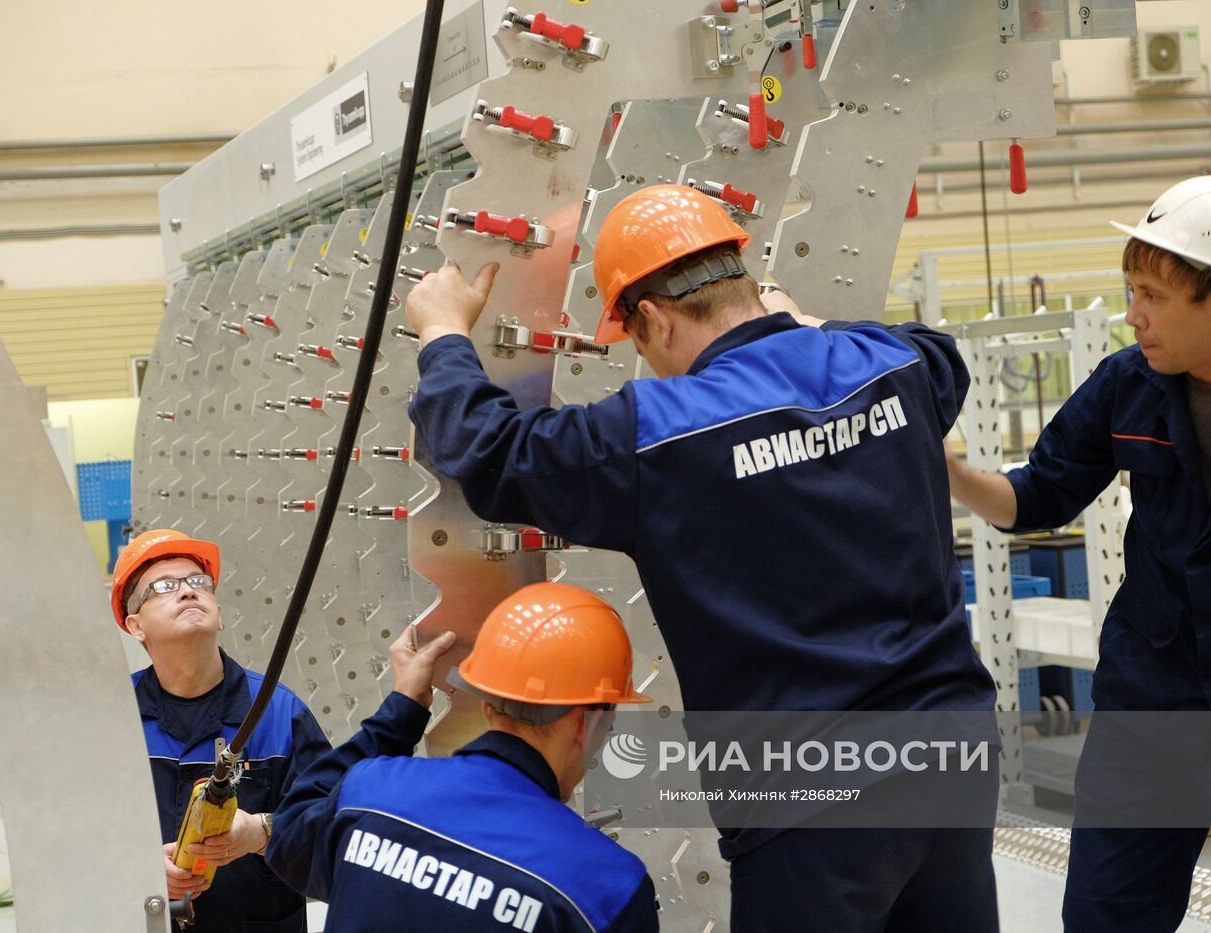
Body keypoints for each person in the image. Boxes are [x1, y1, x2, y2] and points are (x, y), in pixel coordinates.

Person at [401, 183, 999, 932]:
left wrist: (443, 332)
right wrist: (794, 322)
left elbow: (493, 455)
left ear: (649, 318)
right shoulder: (889, 362)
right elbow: (942, 361)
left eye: (641, 347)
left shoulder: (661, 431)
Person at [944, 174, 1211, 931]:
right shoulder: (1128, 384)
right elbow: (1038, 495)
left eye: (1152, 298)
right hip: (1149, 706)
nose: (1133, 317)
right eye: (1129, 292)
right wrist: (954, 476)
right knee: (1105, 916)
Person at [266, 582, 659, 932]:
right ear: (586, 725)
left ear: (488, 706)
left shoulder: (368, 793)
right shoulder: (608, 889)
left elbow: (287, 838)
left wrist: (399, 714)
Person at [112, 529, 331, 931]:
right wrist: (141, 867)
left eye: (199, 583)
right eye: (163, 587)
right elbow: (78, 832)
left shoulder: (278, 713)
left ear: (218, 610)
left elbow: (330, 825)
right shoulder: (113, 718)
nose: (188, 592)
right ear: (135, 625)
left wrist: (260, 832)